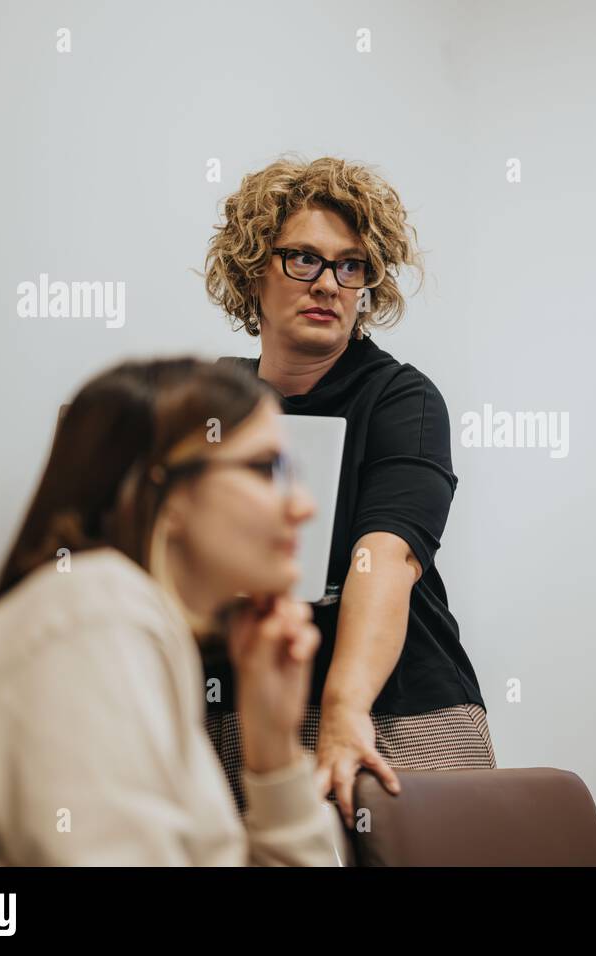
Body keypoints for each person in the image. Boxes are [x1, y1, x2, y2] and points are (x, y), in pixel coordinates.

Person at [0, 358, 338, 865]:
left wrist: (274, 748)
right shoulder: (93, 615)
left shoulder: (131, 623)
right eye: (267, 470)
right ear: (164, 487)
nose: (304, 505)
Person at [204, 156, 493, 828]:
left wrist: (343, 710)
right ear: (253, 271)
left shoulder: (402, 399)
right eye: (303, 259)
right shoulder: (212, 401)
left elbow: (384, 557)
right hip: (242, 711)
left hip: (395, 711)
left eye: (351, 265)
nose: (328, 283)